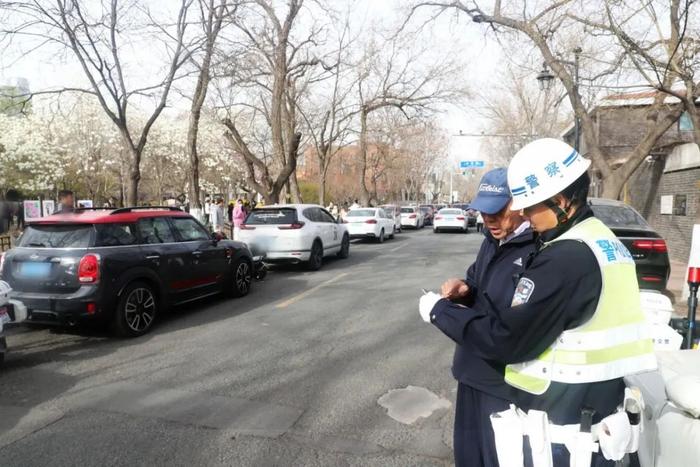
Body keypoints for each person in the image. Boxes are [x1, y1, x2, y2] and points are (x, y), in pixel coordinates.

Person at [419, 139, 656, 466]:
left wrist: (438, 311)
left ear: (560, 201)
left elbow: (507, 339)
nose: (526, 214)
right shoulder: (599, 240)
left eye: (530, 206)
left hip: (567, 429)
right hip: (591, 411)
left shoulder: (564, 258)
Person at [423, 168, 537, 467]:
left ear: (520, 204)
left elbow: (514, 327)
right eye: (484, 212)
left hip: (504, 384)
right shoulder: (491, 241)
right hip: (471, 371)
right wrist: (463, 289)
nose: (489, 220)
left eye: (497, 211)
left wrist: (441, 313)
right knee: (469, 456)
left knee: (499, 458)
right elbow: (478, 282)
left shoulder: (539, 249)